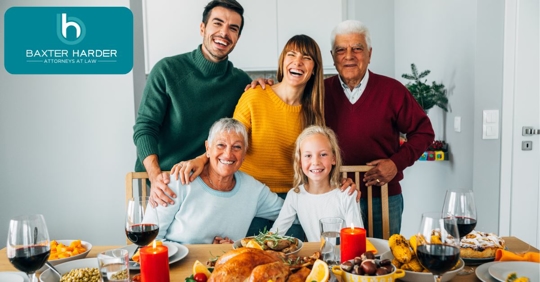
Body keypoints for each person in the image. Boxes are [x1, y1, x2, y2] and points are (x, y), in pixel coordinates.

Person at [171, 34, 327, 239]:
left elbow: (317, 162)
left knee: (293, 255)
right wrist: (202, 159)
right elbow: (230, 141)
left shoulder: (313, 113)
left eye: (306, 58)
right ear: (282, 61)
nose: (297, 62)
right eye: (291, 54)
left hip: (290, 200)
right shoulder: (255, 95)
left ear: (314, 68)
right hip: (249, 197)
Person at [132, 0, 253, 207]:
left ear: (238, 38)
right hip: (162, 182)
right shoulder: (167, 70)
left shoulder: (241, 83)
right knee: (156, 240)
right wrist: (155, 175)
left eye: (233, 28)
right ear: (202, 28)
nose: (224, 33)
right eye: (217, 23)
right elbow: (145, 128)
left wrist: (263, 87)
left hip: (208, 184)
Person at [324, 20, 435, 238]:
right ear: (332, 56)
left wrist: (396, 163)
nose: (349, 56)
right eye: (341, 50)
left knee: (383, 262)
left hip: (383, 197)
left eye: (357, 48)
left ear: (369, 53)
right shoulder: (319, 92)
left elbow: (424, 132)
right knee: (337, 261)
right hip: (334, 196)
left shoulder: (392, 90)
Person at [144, 118, 284, 244]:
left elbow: (292, 213)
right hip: (174, 267)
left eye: (237, 147)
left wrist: (234, 250)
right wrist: (200, 253)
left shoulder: (254, 190)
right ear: (208, 148)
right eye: (221, 145)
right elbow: (148, 241)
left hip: (224, 269)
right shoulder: (178, 181)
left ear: (244, 154)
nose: (228, 154)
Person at [270, 125, 363, 242]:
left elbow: (357, 239)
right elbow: (276, 233)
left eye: (323, 154)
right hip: (314, 258)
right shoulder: (295, 195)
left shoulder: (347, 194)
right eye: (308, 156)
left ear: (333, 158)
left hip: (344, 258)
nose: (315, 162)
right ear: (299, 162)